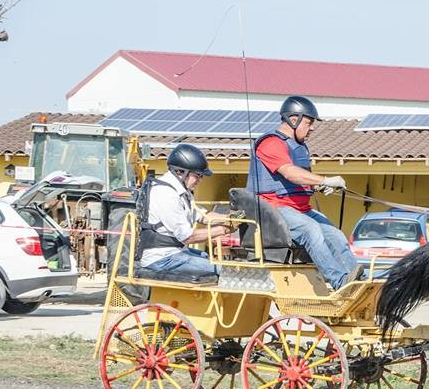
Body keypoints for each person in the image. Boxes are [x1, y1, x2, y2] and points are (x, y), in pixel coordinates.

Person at [247, 95, 361, 289]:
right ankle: (340, 281)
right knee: (311, 230)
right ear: (293, 120)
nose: (312, 128)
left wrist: (317, 185)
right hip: (274, 208)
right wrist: (324, 180)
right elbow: (289, 173)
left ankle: (357, 282)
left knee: (336, 236)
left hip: (300, 209)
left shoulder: (299, 147)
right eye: (309, 122)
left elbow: (298, 178)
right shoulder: (271, 143)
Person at [138, 143, 235, 278]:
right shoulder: (166, 194)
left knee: (205, 255)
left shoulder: (182, 192)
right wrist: (223, 229)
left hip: (174, 252)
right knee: (224, 271)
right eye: (197, 175)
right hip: (162, 259)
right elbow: (187, 236)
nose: (200, 180)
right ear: (180, 172)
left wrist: (231, 218)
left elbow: (203, 215)